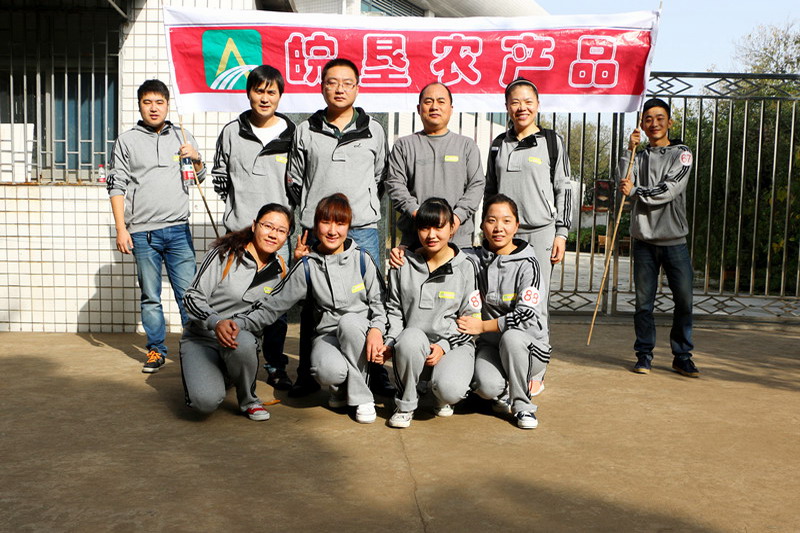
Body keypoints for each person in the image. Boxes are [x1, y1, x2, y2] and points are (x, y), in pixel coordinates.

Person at [217, 194, 388, 424]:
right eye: (326, 222)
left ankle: (362, 398)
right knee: (325, 370)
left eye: (340, 223)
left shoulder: (362, 260)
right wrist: (238, 323)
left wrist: (377, 329)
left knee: (349, 322)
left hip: (360, 334)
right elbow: (273, 305)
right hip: (328, 335)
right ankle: (340, 390)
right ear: (316, 226)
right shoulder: (307, 266)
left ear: (349, 227)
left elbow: (380, 303)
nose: (332, 231)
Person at [285, 57, 391, 397]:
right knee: (311, 302)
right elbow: (294, 180)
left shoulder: (374, 130)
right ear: (321, 87)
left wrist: (359, 209)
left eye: (347, 83)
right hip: (316, 230)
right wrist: (311, 216)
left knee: (370, 302)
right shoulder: (306, 129)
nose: (339, 89)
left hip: (361, 229)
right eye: (332, 82)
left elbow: (379, 177)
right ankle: (306, 371)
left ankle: (376, 372)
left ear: (358, 88)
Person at [107, 79, 205, 374]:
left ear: (167, 105)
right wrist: (121, 228)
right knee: (150, 296)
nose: (153, 108)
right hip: (142, 232)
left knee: (188, 295)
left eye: (159, 102)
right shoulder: (127, 141)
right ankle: (156, 350)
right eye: (147, 102)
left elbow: (199, 178)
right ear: (139, 105)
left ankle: (196, 350)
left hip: (178, 230)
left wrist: (196, 159)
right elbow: (116, 185)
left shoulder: (182, 136)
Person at [211, 65, 296, 391]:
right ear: (248, 93)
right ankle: (231, 363)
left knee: (275, 307)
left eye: (271, 92)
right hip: (239, 234)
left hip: (277, 238)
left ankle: (274, 365)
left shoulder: (292, 134)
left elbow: (298, 185)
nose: (264, 98)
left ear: (280, 96)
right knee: (232, 300)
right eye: (259, 91)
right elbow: (220, 179)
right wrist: (238, 211)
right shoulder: (231, 132)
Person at [484, 77, 572, 391]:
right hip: (505, 236)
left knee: (536, 302)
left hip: (541, 233)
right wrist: (487, 229)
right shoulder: (499, 144)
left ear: (537, 105)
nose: (522, 108)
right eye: (515, 102)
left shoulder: (551, 141)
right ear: (507, 106)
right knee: (502, 301)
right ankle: (507, 363)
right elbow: (490, 191)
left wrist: (561, 233)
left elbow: (564, 188)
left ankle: (536, 370)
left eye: (528, 102)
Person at [180, 204, 293, 421]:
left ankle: (249, 400)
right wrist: (215, 322)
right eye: (268, 226)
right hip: (203, 338)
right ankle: (218, 371)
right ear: (254, 226)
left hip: (239, 338)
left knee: (245, 343)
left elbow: (277, 308)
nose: (273, 234)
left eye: (281, 230)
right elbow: (191, 297)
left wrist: (302, 262)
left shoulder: (280, 269)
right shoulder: (224, 254)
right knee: (204, 402)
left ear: (287, 236)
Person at [383, 198, 480, 429]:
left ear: (452, 228)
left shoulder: (466, 266)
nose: (431, 235)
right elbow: (394, 310)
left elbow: (471, 319)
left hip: (452, 345)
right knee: (409, 338)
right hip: (414, 346)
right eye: (425, 228)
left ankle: (439, 392)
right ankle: (406, 404)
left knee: (450, 390)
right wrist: (390, 342)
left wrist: (444, 346)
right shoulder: (402, 264)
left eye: (438, 227)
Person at [619, 98, 698, 378]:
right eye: (648, 119)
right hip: (644, 241)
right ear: (642, 124)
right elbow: (623, 182)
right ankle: (644, 355)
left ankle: (682, 356)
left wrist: (636, 192)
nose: (654, 123)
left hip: (674, 241)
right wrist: (629, 151)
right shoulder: (638, 156)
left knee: (684, 301)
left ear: (669, 122)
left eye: (659, 118)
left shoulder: (682, 153)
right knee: (643, 304)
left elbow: (670, 189)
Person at [457, 194, 550, 429]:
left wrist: (482, 326)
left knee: (512, 337)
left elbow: (525, 315)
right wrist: (407, 251)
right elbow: (440, 251)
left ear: (516, 226)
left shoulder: (529, 265)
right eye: (491, 220)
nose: (499, 228)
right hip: (492, 347)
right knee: (486, 387)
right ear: (482, 225)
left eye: (506, 221)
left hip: (529, 348)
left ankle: (523, 405)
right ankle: (503, 389)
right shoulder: (472, 258)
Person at [385, 82, 484, 249]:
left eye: (441, 101)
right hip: (415, 240)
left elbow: (477, 185)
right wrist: (419, 216)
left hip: (458, 241)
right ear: (419, 108)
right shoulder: (403, 146)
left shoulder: (467, 146)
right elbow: (395, 185)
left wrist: (456, 218)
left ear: (451, 109)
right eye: (428, 101)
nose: (434, 107)